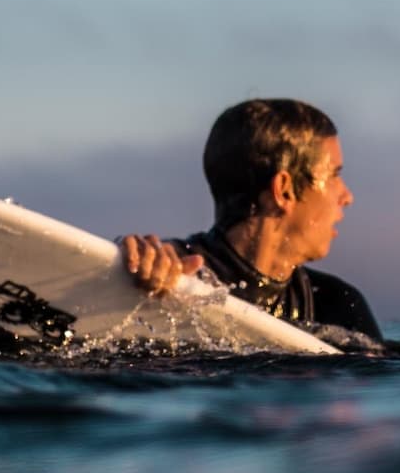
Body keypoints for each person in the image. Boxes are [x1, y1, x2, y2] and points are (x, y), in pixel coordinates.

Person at [120, 98, 385, 343]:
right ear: (284, 191)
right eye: (334, 175)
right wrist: (126, 261)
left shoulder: (336, 305)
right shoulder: (170, 273)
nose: (347, 196)